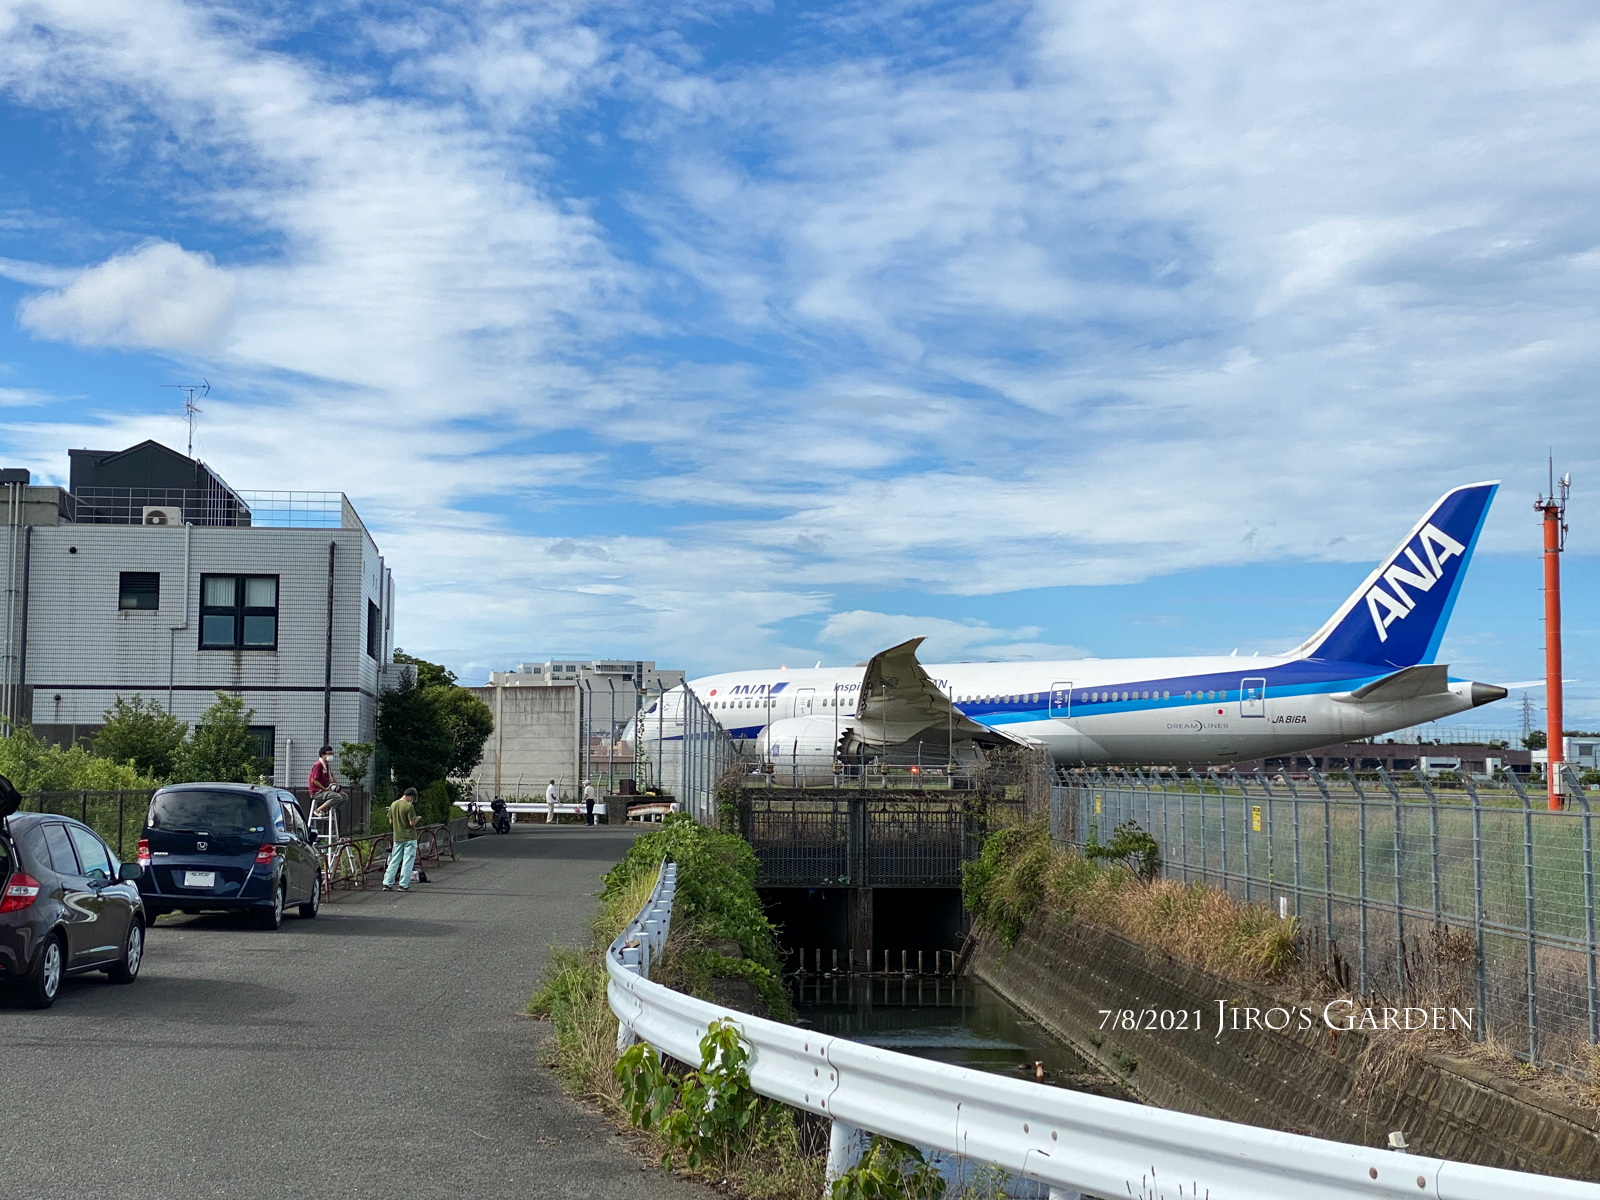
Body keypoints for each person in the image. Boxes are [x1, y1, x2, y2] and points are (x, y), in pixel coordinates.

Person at [383, 787, 421, 892]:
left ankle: (387, 883)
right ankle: (403, 884)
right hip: (409, 837)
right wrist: (417, 819)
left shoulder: (393, 804)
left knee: (394, 860)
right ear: (411, 797)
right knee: (407, 861)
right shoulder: (409, 806)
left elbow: (390, 821)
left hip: (398, 836)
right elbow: (411, 823)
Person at [309, 746, 340, 815]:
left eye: (332, 754)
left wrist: (339, 790)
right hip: (316, 792)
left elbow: (332, 777)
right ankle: (318, 810)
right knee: (337, 797)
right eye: (329, 754)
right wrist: (325, 789)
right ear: (323, 755)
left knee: (343, 797)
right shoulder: (318, 765)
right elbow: (313, 780)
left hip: (324, 790)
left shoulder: (327, 766)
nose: (331, 756)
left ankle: (326, 810)